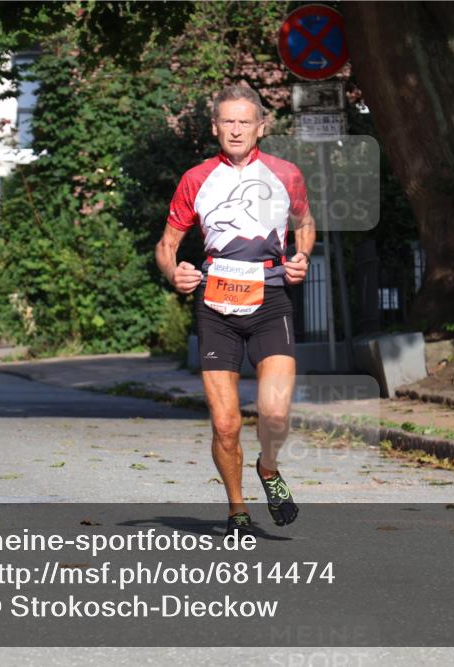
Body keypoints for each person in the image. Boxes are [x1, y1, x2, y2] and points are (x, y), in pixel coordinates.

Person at [155, 85, 316, 537]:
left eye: (245, 121)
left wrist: (301, 256)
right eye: (228, 121)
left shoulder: (286, 175)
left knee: (275, 413)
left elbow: (304, 225)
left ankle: (268, 468)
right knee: (226, 424)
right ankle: (237, 508)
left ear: (262, 126)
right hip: (215, 306)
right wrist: (174, 273)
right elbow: (167, 245)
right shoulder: (196, 178)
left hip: (270, 301)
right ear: (215, 128)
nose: (237, 129)